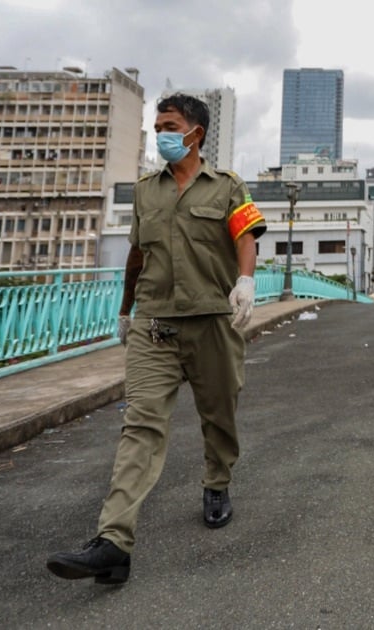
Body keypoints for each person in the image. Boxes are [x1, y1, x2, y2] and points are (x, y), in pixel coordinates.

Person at [47, 94, 267, 583]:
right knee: (140, 427)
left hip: (213, 320)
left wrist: (245, 280)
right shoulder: (146, 191)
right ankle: (113, 542)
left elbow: (246, 237)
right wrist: (125, 310)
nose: (162, 133)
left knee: (220, 415)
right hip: (155, 326)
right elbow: (136, 256)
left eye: (170, 125)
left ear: (196, 133)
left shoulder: (228, 186)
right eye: (158, 125)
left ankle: (217, 482)